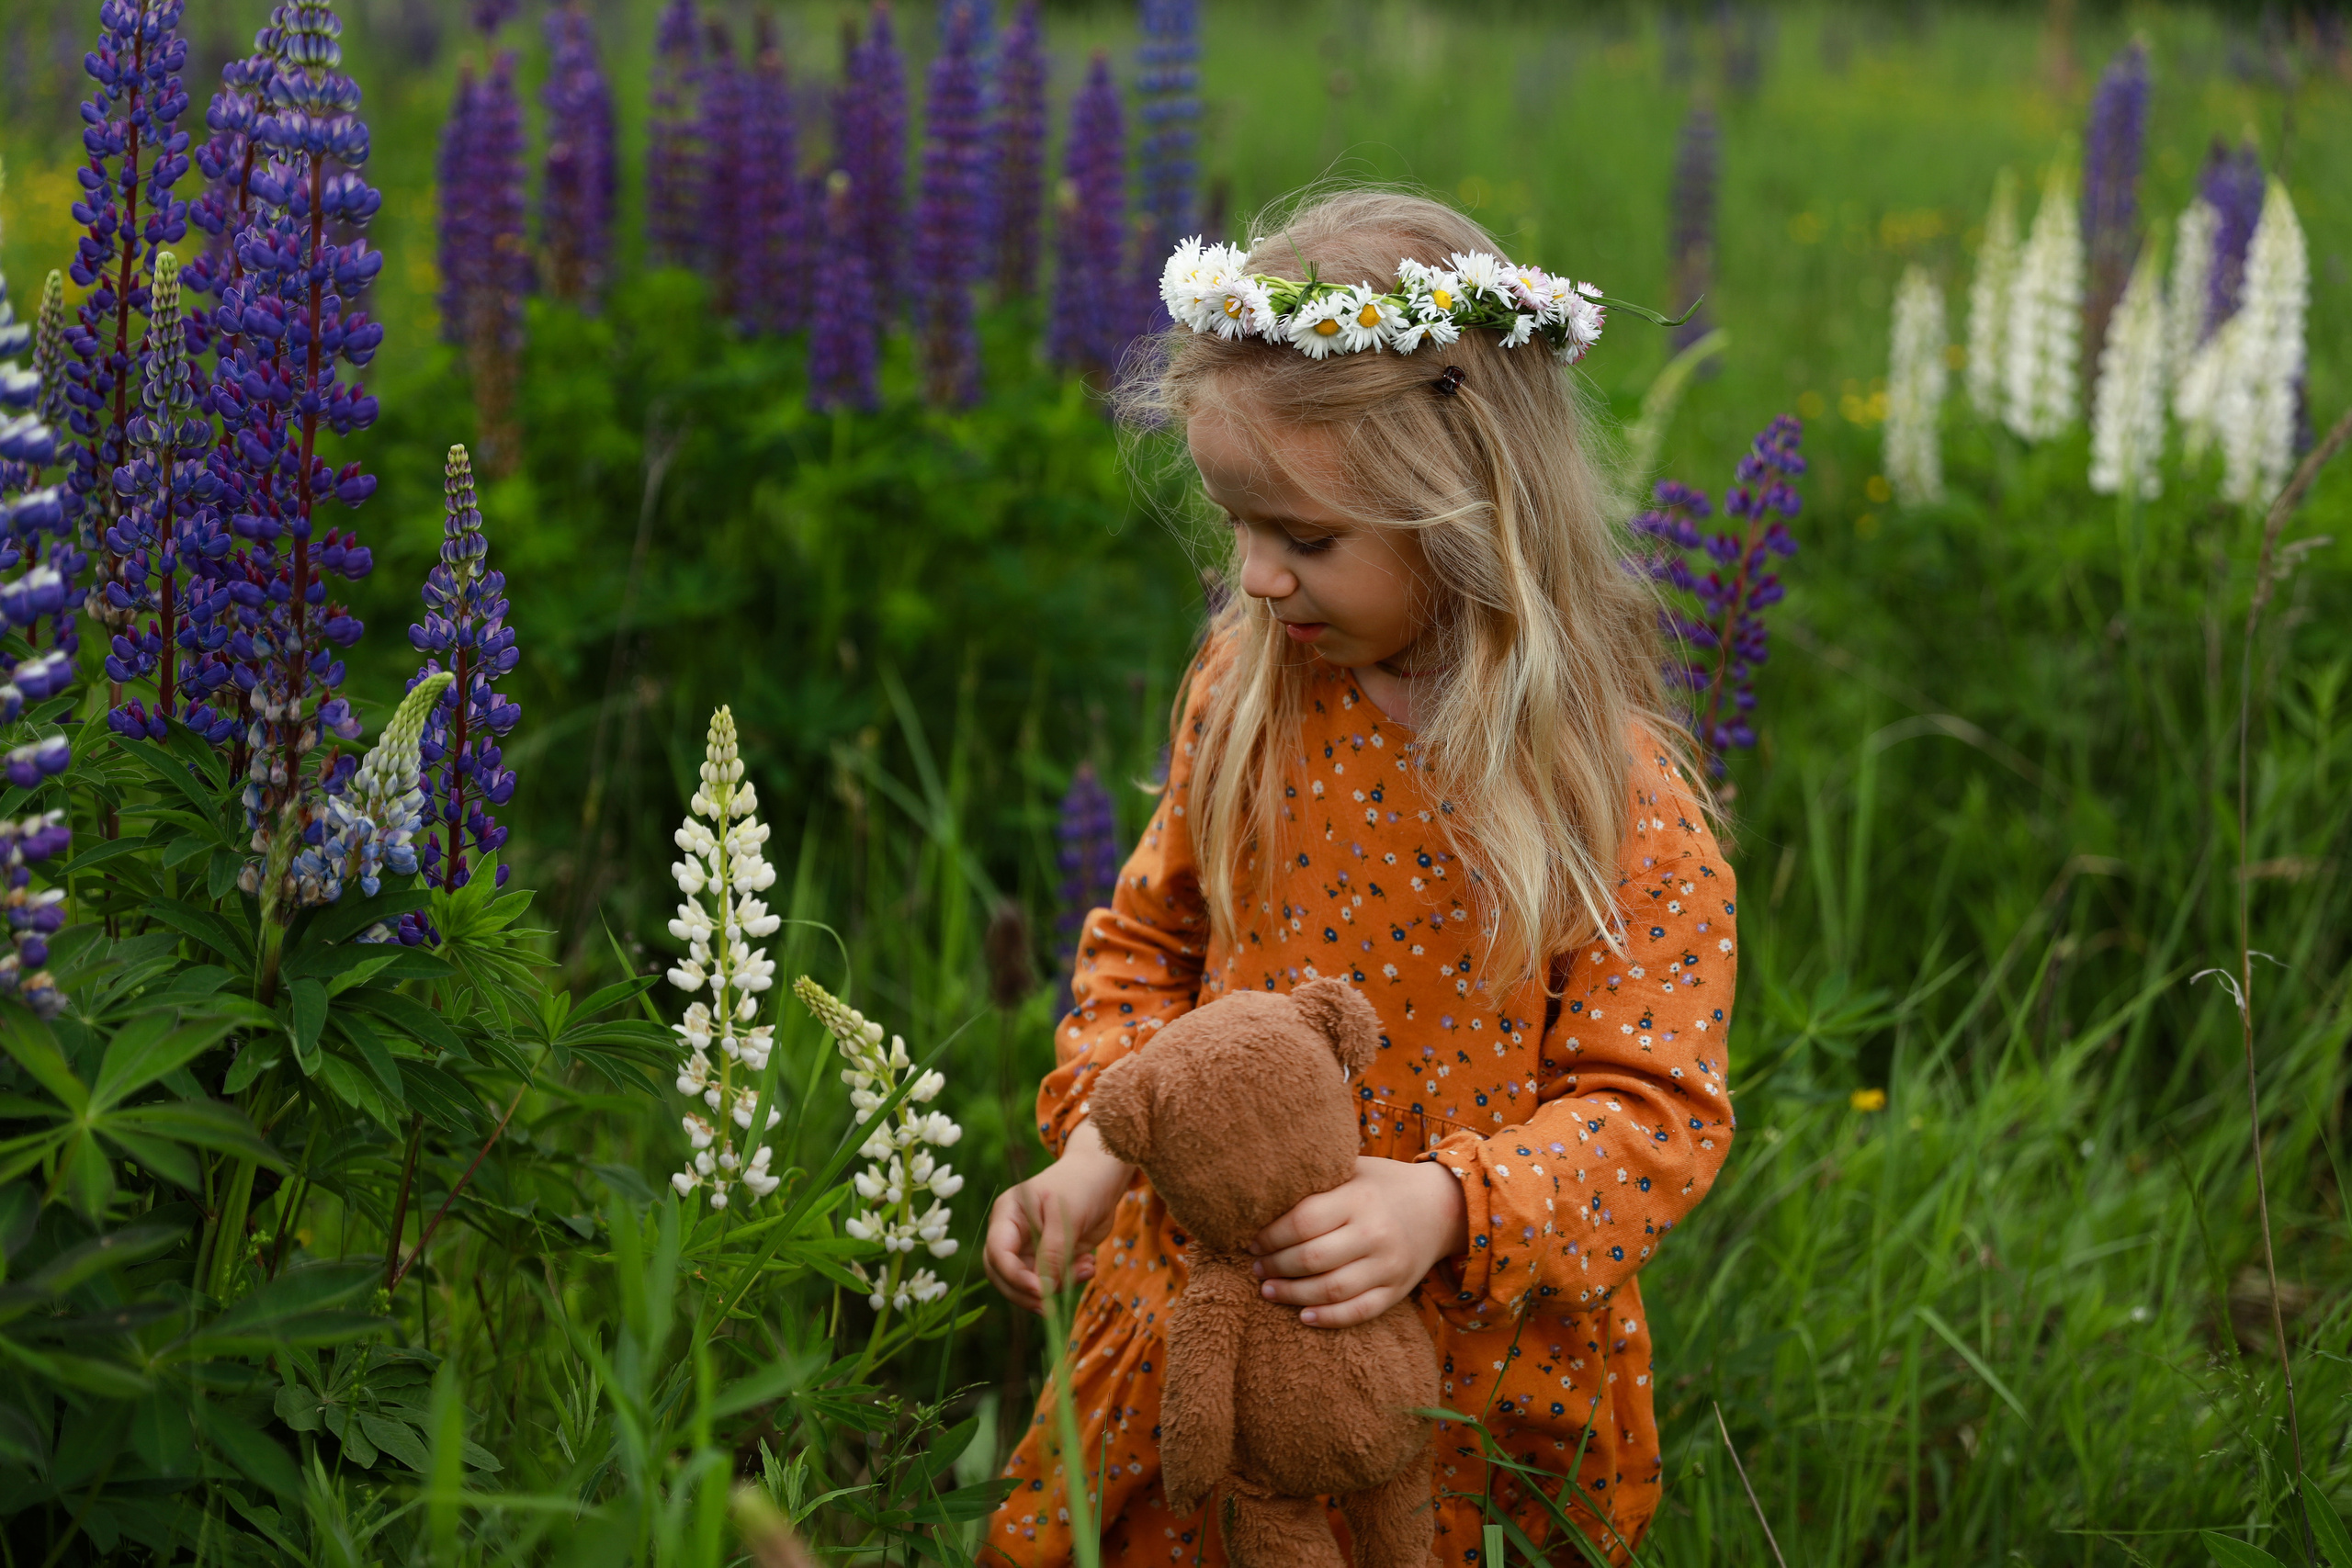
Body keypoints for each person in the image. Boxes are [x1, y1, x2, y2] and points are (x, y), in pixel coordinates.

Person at [981, 187, 1738, 1566]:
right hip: (1199, 1304)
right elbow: (1149, 946)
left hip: (1460, 1356)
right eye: (1237, 527)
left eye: (1306, 540)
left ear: (1467, 511)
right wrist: (1101, 1145)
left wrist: (1446, 1205)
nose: (1255, 580)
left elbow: (1656, 1113)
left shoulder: (1607, 798)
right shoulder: (1245, 695)